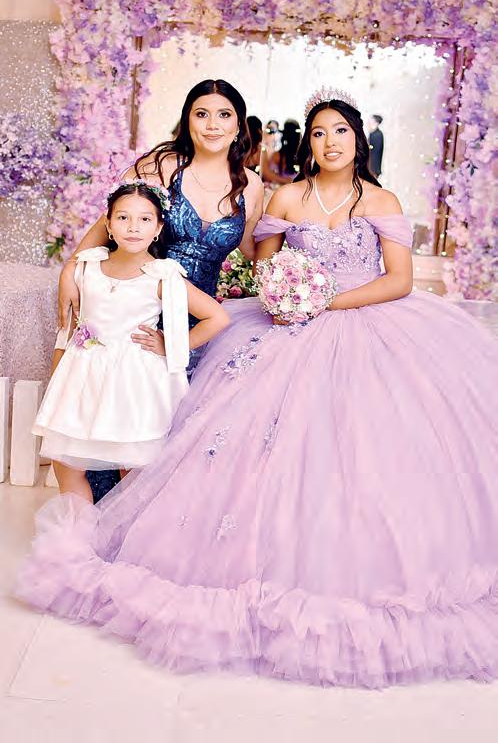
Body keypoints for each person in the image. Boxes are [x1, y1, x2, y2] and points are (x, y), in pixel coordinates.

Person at [17, 89, 498, 689]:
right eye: (318, 132)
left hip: (366, 322)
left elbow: (398, 280)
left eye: (340, 131)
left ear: (359, 139)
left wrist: (325, 301)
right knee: (200, 426)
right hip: (271, 320)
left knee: (361, 440)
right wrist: (287, 296)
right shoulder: (283, 196)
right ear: (307, 143)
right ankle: (115, 520)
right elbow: (265, 269)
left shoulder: (381, 199)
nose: (329, 142)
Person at [56, 78, 264, 500]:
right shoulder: (164, 165)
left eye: (224, 115)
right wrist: (70, 269)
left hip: (200, 315)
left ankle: (155, 521)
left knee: (177, 425)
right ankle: (102, 516)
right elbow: (113, 221)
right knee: (126, 417)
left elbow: (252, 251)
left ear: (238, 124)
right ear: (187, 120)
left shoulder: (251, 185)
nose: (212, 125)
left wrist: (296, 277)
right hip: (145, 306)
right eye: (201, 114)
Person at [35, 182, 229, 502]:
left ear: (158, 228)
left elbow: (217, 317)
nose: (133, 227)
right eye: (123, 218)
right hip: (83, 381)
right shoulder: (86, 268)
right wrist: (57, 379)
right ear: (109, 225)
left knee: (134, 469)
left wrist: (171, 345)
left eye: (145, 219)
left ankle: (125, 530)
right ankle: (75, 531)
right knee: (68, 466)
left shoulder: (161, 277)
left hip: (134, 385)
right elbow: (67, 329)